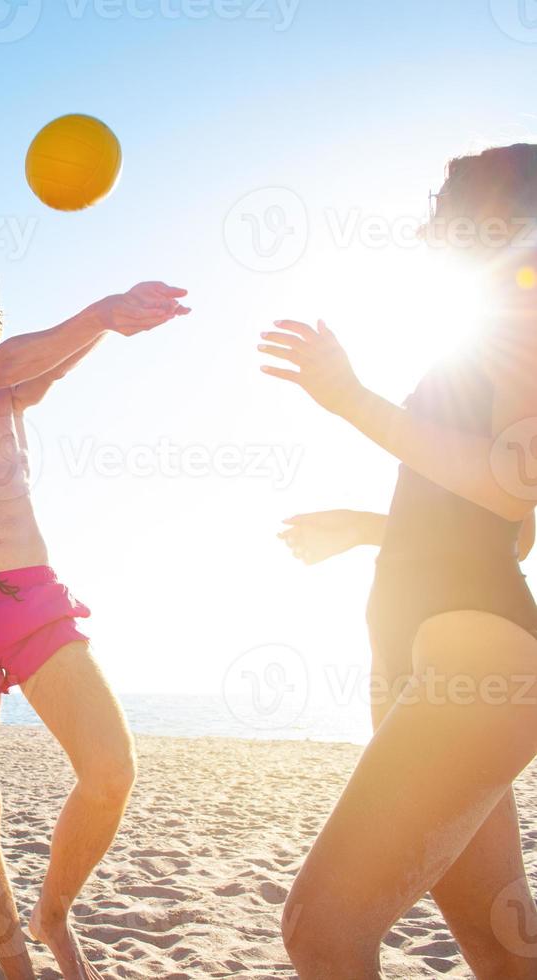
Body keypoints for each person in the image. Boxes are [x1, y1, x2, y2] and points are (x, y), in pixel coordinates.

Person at [267, 144, 537, 979]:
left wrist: (348, 398)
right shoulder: (483, 334)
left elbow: (509, 490)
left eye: (466, 215)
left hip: (478, 656)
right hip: (416, 651)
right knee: (505, 954)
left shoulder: (525, 320)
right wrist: (362, 524)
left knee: (321, 928)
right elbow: (497, 523)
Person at [0, 263, 189, 980]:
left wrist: (112, 321)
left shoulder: (9, 389)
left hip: (33, 597)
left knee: (110, 769)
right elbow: (17, 357)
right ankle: (11, 957)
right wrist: (100, 308)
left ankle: (52, 911)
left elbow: (37, 366)